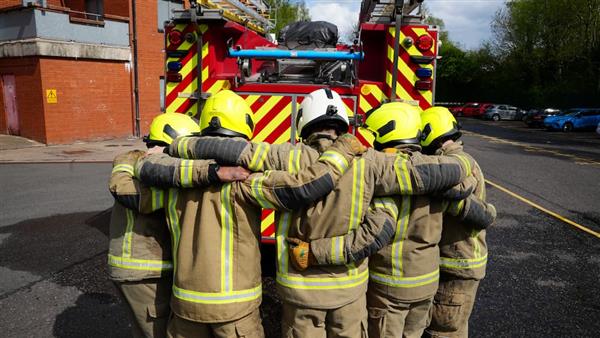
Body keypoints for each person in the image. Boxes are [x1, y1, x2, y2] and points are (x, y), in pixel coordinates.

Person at [166, 90, 480, 337]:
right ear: (343, 124)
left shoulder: (284, 156)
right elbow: (432, 175)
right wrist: (463, 160)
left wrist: (181, 146)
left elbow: (235, 151)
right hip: (349, 293)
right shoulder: (370, 163)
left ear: (304, 124)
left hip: (300, 294)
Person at [115, 90, 365, 338]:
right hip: (236, 309)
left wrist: (164, 156)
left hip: (185, 307)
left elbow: (137, 182)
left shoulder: (174, 179)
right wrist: (341, 153)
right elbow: (304, 187)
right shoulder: (246, 180)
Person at [285, 103, 496, 338]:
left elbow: (374, 234)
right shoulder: (439, 180)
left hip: (391, 290)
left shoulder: (390, 183)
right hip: (426, 288)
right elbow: (484, 215)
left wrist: (315, 253)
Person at [108, 113, 250, 338]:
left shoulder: (130, 159)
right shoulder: (146, 169)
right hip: (145, 269)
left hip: (139, 269)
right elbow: (131, 195)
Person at [420, 107, 492, 338]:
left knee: (442, 329)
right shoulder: (461, 158)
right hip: (463, 263)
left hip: (457, 265)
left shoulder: (455, 164)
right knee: (456, 328)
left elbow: (447, 187)